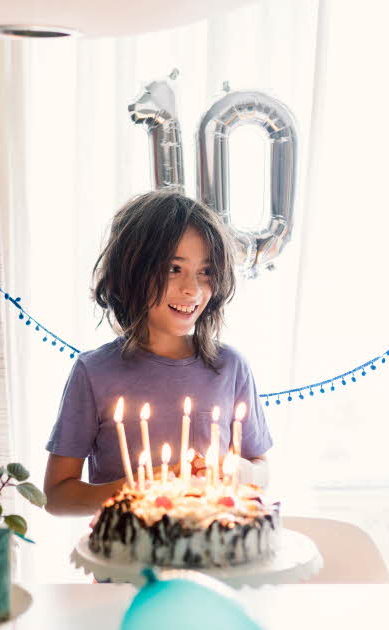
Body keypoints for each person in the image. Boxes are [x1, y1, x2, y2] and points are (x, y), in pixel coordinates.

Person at [43, 190, 272, 516]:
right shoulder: (94, 373)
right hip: (126, 559)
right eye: (173, 269)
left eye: (205, 272)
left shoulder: (230, 368)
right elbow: (57, 496)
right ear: (131, 270)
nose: (191, 289)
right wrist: (143, 487)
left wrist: (240, 472)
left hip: (215, 559)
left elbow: (261, 466)